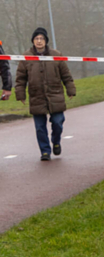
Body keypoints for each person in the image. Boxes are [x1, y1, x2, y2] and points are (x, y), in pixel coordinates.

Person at [14, 28, 76, 161]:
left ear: (46, 40)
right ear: (33, 41)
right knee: (40, 128)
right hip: (36, 96)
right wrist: (20, 94)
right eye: (36, 39)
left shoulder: (56, 55)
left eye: (41, 38)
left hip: (55, 95)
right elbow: (20, 78)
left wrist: (70, 89)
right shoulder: (26, 57)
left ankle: (56, 141)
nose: (39, 41)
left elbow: (66, 75)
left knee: (58, 122)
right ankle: (45, 151)